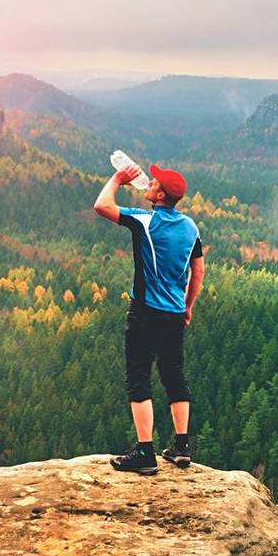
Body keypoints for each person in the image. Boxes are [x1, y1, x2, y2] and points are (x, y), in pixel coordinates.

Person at [93, 161, 205, 474]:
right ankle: (181, 447)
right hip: (173, 313)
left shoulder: (145, 220)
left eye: (154, 183)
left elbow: (101, 205)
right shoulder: (190, 227)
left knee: (138, 376)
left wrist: (117, 178)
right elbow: (198, 270)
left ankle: (145, 453)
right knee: (174, 375)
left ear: (160, 195)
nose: (149, 184)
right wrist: (188, 305)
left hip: (145, 312)